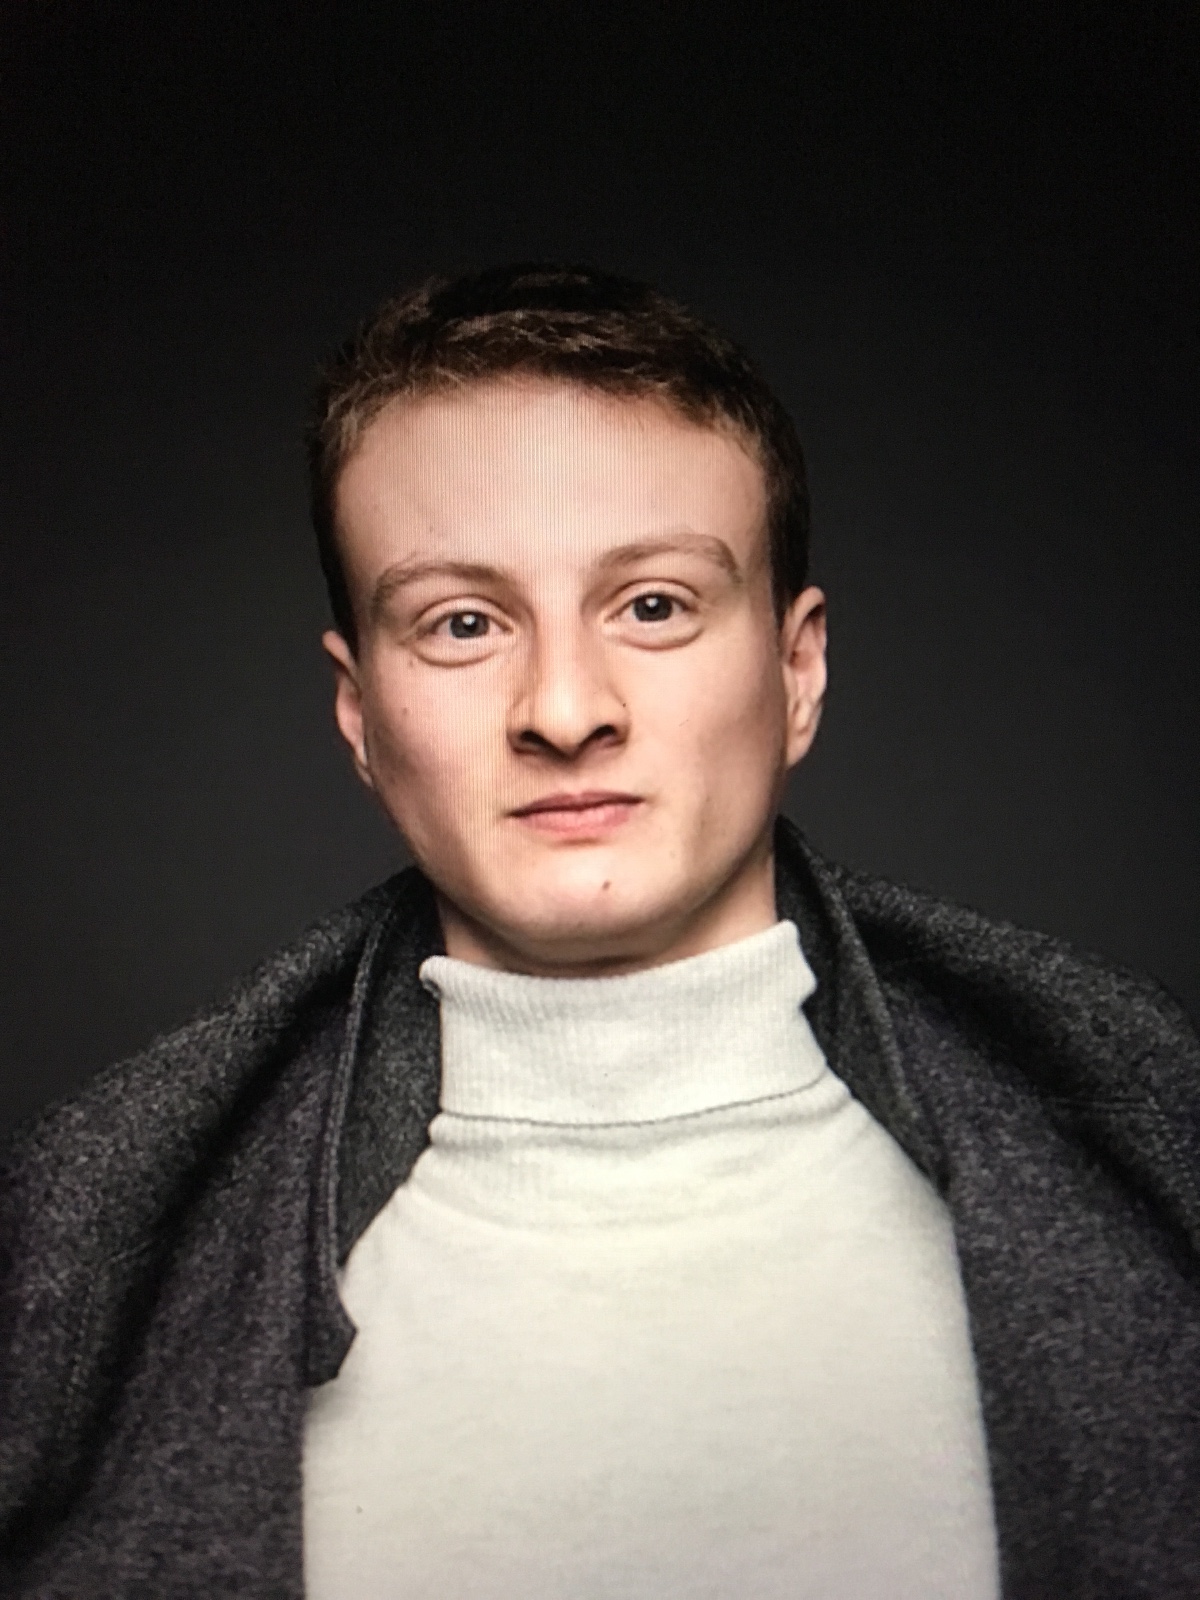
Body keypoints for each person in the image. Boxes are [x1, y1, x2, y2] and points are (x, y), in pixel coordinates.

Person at [0, 263, 1196, 1600]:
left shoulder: (1153, 1142)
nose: (566, 710)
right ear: (360, 715)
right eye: (462, 623)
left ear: (796, 669)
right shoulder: (77, 1252)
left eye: (654, 605)